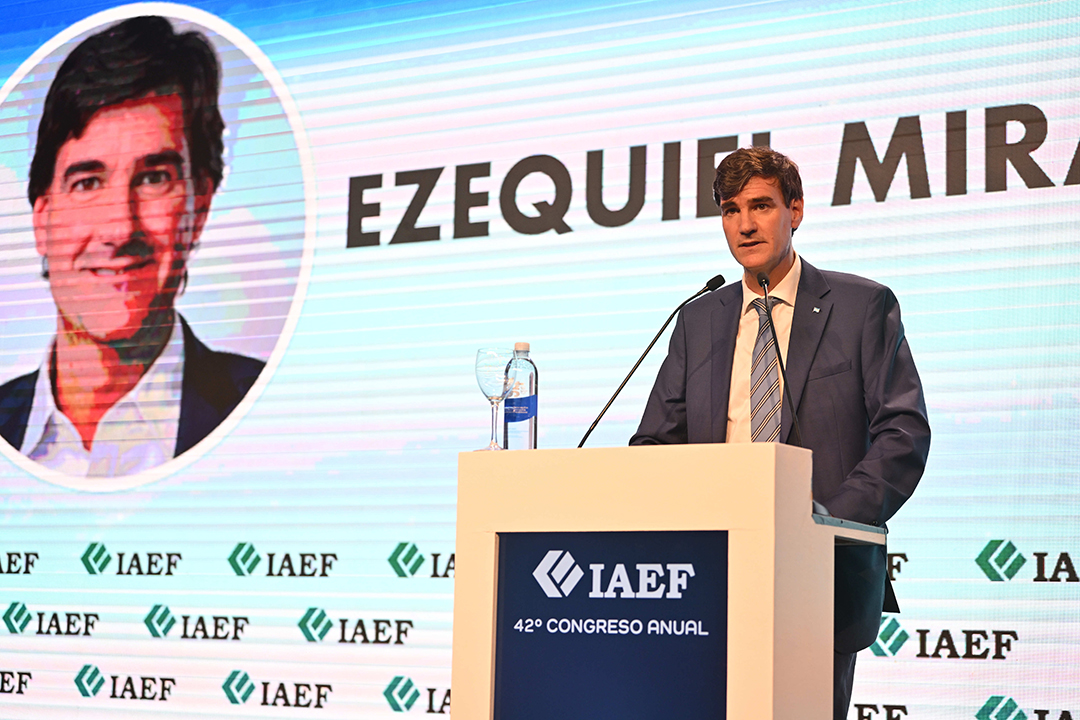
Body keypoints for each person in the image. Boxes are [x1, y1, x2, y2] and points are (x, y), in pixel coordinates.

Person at [630, 146, 930, 718]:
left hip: (820, 573)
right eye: (730, 210)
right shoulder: (697, 318)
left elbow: (903, 432)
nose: (744, 224)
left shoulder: (861, 306)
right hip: (707, 575)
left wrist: (824, 523)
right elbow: (654, 444)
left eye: (761, 206)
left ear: (795, 210)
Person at [0, 16, 264, 477]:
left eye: (154, 178)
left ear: (199, 208)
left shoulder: (269, 414)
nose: (120, 228)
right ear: (42, 219)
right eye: (87, 182)